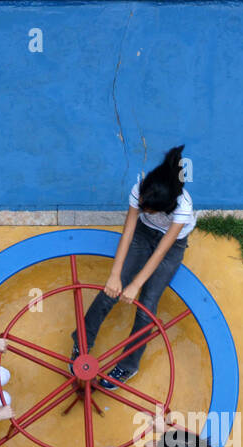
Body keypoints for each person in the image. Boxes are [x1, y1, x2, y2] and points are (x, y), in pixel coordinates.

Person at [73, 144, 196, 390]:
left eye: (147, 209)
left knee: (147, 305)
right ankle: (81, 342)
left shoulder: (182, 208)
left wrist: (136, 285)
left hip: (171, 245)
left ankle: (128, 365)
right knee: (110, 291)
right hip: (143, 233)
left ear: (165, 208)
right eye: (141, 205)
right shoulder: (140, 188)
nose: (141, 208)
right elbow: (128, 231)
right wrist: (115, 275)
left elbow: (161, 252)